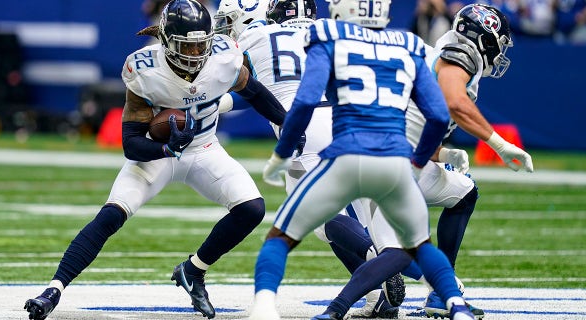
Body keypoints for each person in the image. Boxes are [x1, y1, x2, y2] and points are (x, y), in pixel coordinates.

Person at [23, 0, 291, 319]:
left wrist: (289, 124)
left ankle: (194, 270)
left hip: (205, 148)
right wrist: (166, 149)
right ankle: (53, 289)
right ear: (166, 42)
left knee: (252, 208)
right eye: (186, 47)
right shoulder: (145, 69)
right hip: (157, 152)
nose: (195, 54)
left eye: (199, 46)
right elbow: (131, 144)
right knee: (111, 215)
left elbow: (255, 92)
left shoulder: (224, 55)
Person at [248, 0, 478, 319]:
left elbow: (301, 103)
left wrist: (282, 151)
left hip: (339, 146)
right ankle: (454, 302)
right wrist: (426, 157)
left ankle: (279, 308)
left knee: (293, 230)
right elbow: (438, 116)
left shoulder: (323, 39)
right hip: (390, 152)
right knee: (415, 243)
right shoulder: (407, 43)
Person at [327, 3, 534, 319]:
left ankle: (437, 292)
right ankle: (432, 288)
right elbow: (455, 102)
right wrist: (499, 144)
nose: (499, 51)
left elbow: (419, 125)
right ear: (483, 37)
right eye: (498, 41)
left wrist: (445, 153)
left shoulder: (442, 52)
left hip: (400, 158)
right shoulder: (459, 55)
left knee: (464, 192)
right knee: (395, 255)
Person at [215, 1, 405, 316]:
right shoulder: (335, 32)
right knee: (344, 213)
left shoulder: (257, 35)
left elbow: (244, 86)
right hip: (351, 120)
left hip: (306, 127)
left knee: (319, 218)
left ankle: (380, 258)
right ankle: (377, 300)